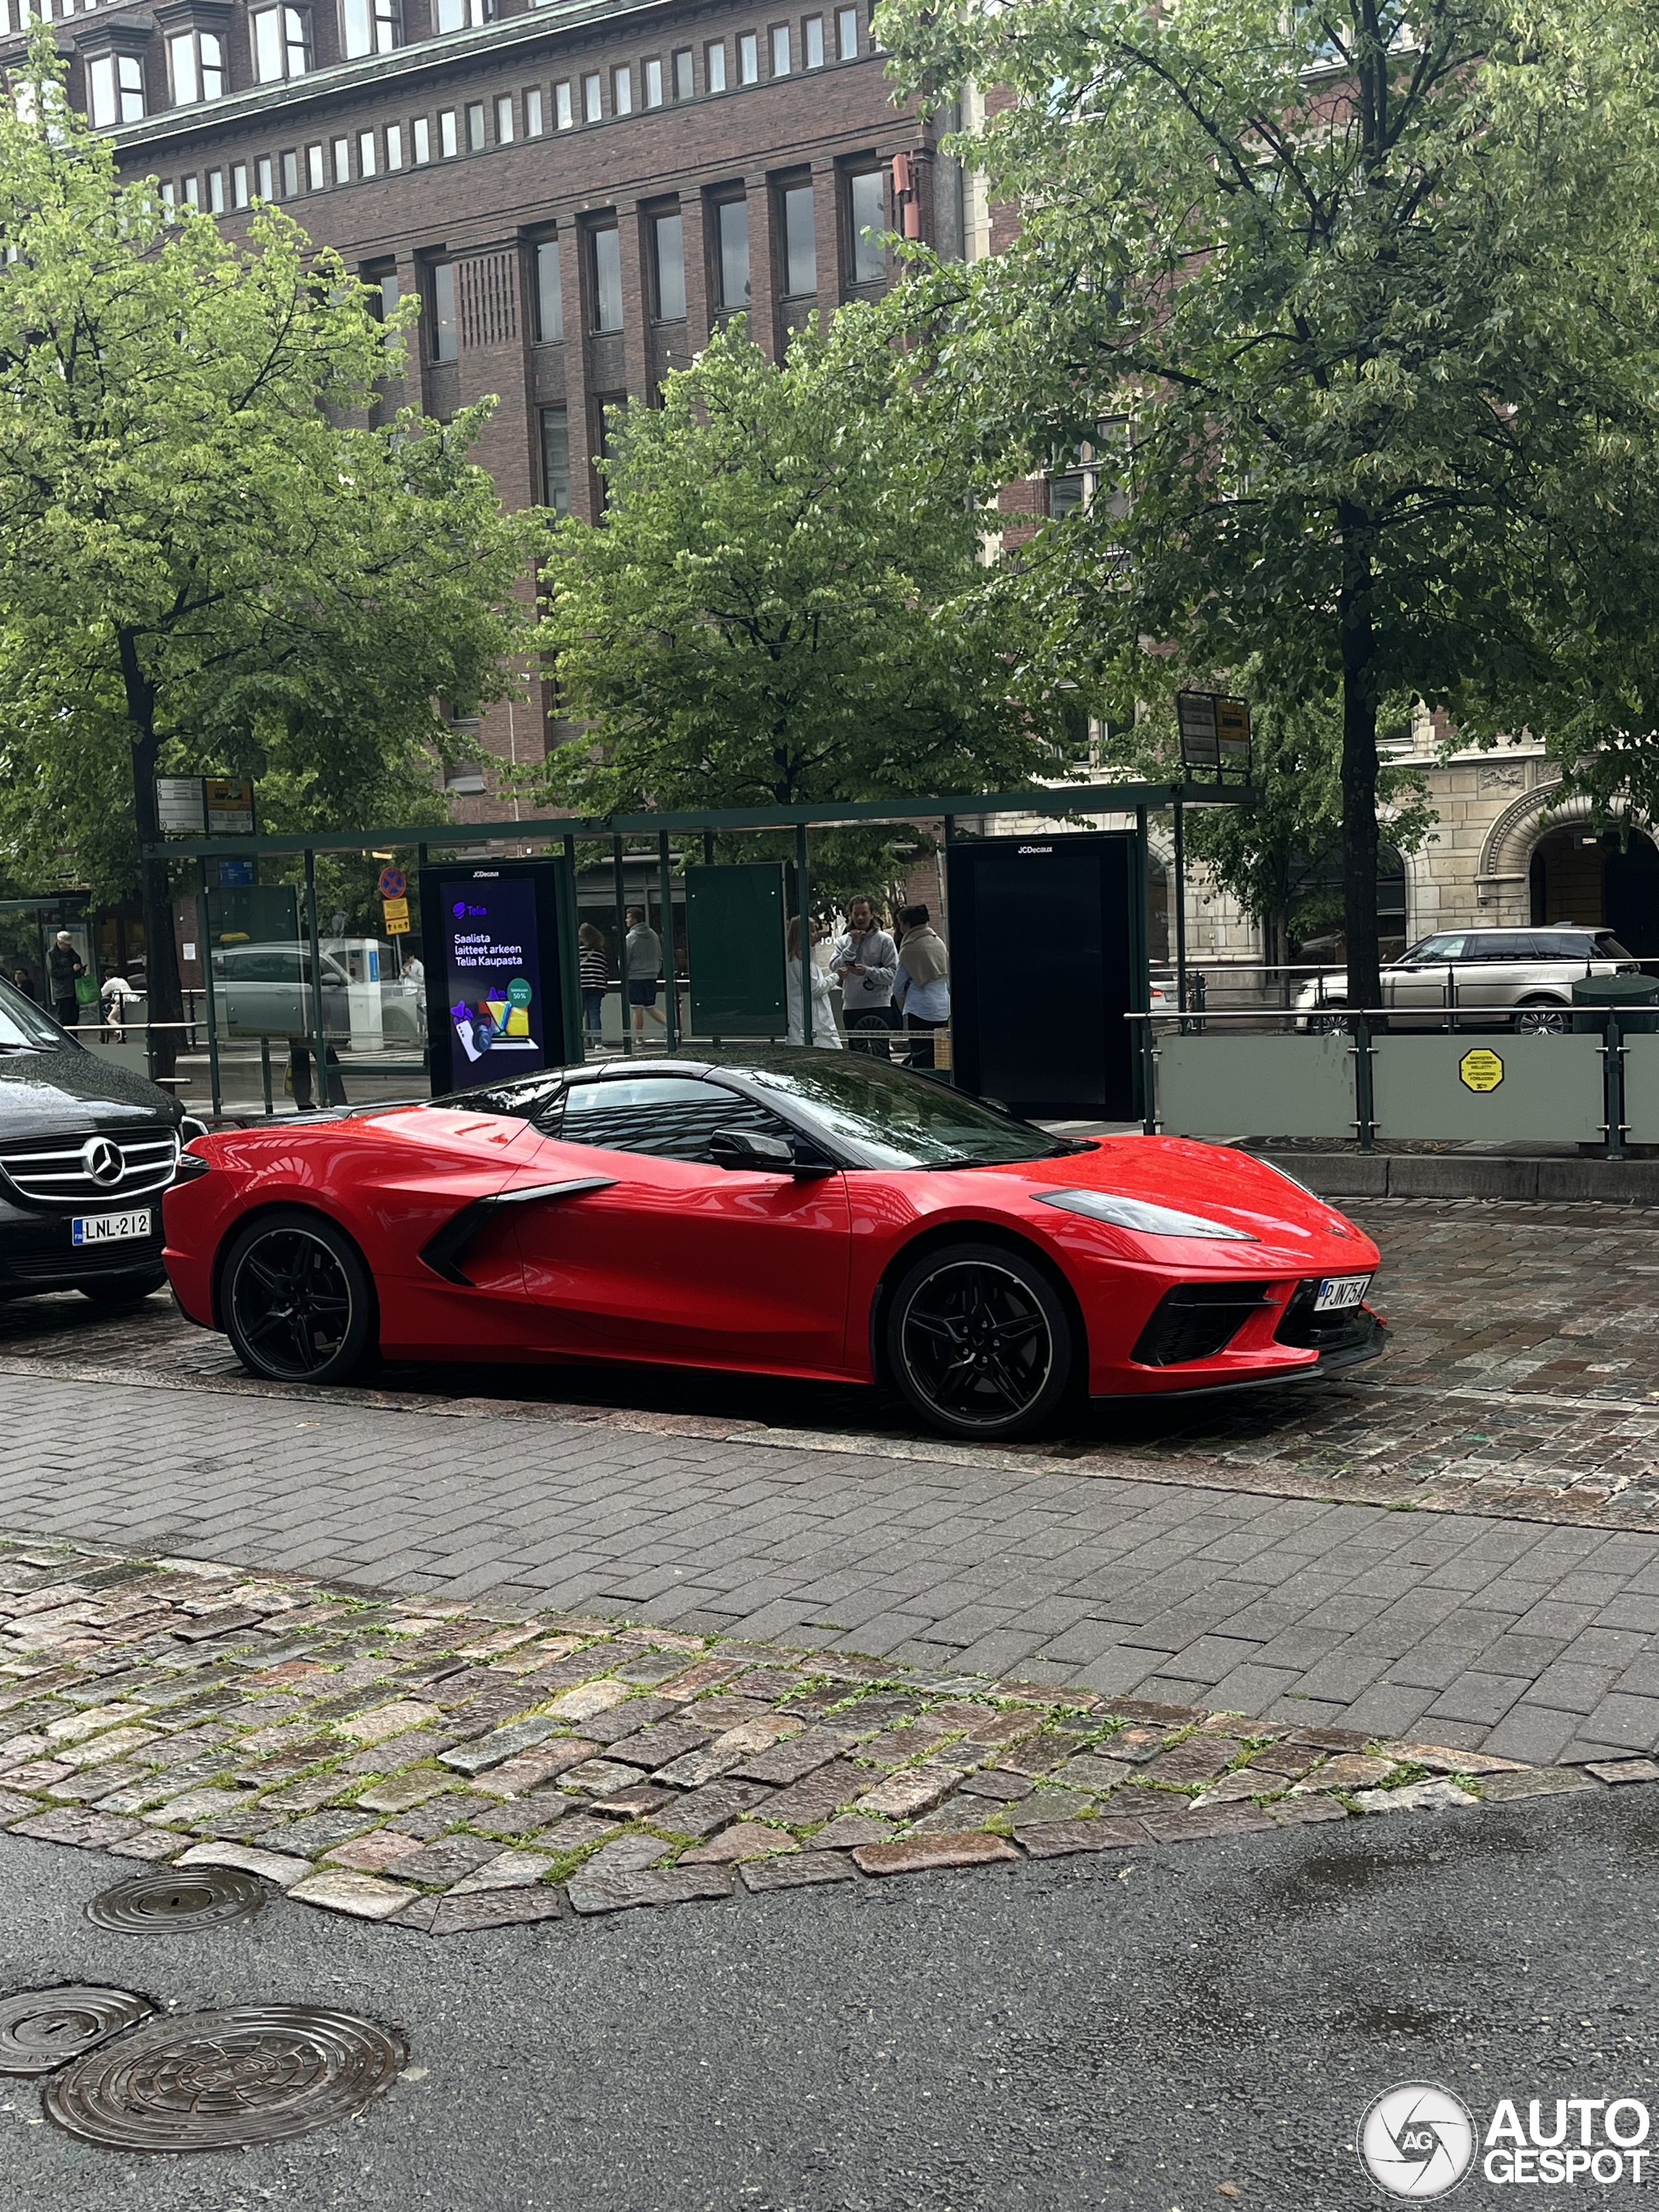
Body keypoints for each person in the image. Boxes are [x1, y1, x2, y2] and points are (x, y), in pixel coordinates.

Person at [832, 896, 898, 1058]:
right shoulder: (843, 941)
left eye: (864, 913)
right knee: (857, 1057)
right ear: (850, 915)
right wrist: (853, 944)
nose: (860, 918)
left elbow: (892, 975)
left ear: (872, 914)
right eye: (856, 914)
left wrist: (868, 972)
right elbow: (834, 967)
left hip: (879, 1005)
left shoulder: (885, 940)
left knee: (880, 1054)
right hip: (852, 1006)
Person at [894, 904, 950, 1068]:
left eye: (900, 924)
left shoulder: (910, 948)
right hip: (943, 1008)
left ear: (907, 925)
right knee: (941, 1058)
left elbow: (897, 987)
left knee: (921, 1057)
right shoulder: (938, 942)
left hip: (920, 1010)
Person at [785, 916, 842, 1047]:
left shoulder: (801, 958)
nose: (815, 935)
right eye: (812, 931)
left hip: (808, 1019)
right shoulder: (799, 960)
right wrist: (836, 976)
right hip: (811, 1019)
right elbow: (815, 989)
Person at [623, 906, 666, 1035]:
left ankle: (639, 1038)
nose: (626, 920)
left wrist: (624, 970)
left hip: (635, 976)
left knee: (637, 1008)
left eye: (628, 917)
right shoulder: (653, 935)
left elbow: (626, 957)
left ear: (634, 920)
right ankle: (671, 1027)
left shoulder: (631, 937)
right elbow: (659, 954)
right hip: (652, 975)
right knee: (649, 1006)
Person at [578, 921, 609, 1041]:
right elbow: (604, 970)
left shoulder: (579, 951)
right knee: (595, 1013)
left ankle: (579, 1041)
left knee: (580, 1013)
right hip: (597, 986)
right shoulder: (600, 952)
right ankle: (597, 1043)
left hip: (582, 985)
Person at [46, 931, 84, 1029]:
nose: (68, 947)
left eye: (69, 945)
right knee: (64, 1019)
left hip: (74, 990)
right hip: (62, 992)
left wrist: (80, 969)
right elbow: (54, 973)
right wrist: (71, 969)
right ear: (59, 943)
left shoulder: (72, 953)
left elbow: (77, 961)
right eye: (66, 945)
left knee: (74, 1019)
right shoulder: (52, 954)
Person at [99, 971, 139, 1043]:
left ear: (107, 977)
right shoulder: (121, 980)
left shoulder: (110, 982)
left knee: (111, 1018)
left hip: (121, 1002)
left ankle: (121, 1033)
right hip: (130, 1001)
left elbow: (101, 994)